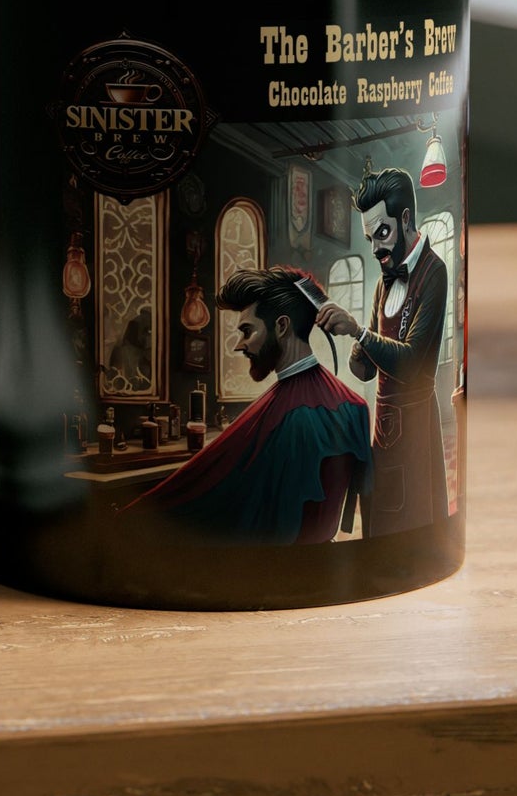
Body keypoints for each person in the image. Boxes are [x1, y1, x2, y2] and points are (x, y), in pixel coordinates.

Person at [131, 267, 371, 545]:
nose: (239, 345)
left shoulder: (292, 419)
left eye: (247, 331)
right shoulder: (356, 406)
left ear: (281, 326)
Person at [314, 166, 450, 536]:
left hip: (417, 426)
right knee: (381, 521)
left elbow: (410, 363)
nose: (376, 249)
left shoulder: (434, 272)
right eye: (370, 238)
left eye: (383, 233)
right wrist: (351, 341)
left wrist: (357, 329)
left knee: (414, 523)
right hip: (383, 427)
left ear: (406, 219)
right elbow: (366, 372)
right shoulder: (381, 285)